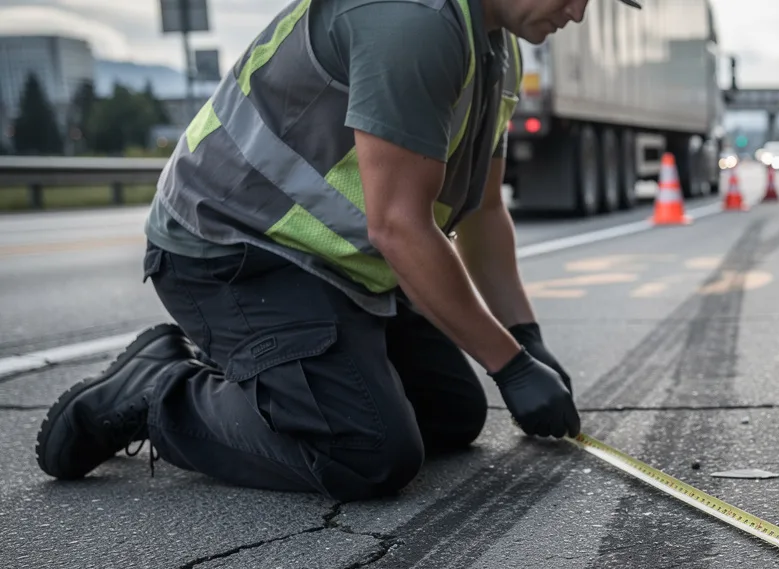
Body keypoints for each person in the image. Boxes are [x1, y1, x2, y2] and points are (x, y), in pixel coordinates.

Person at [35, 0, 643, 501]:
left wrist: (524, 339)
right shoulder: (414, 20)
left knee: (454, 416)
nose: (581, 12)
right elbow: (400, 226)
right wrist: (509, 367)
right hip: (232, 248)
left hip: (333, 266)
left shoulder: (494, 48)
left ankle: (274, 372)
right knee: (368, 452)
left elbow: (483, 209)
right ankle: (157, 391)